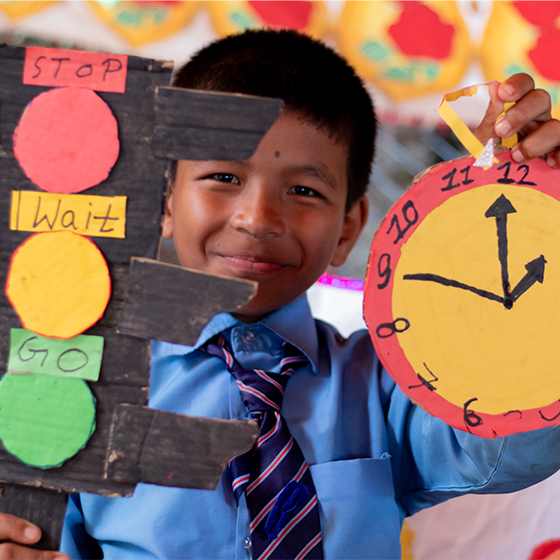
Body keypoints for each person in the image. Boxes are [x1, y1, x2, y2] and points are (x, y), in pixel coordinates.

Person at [2, 29, 560, 560]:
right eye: (223, 177)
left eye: (303, 190)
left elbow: (509, 443)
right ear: (165, 199)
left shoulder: (394, 384)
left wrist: (534, 213)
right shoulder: (78, 388)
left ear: (347, 229)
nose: (258, 218)